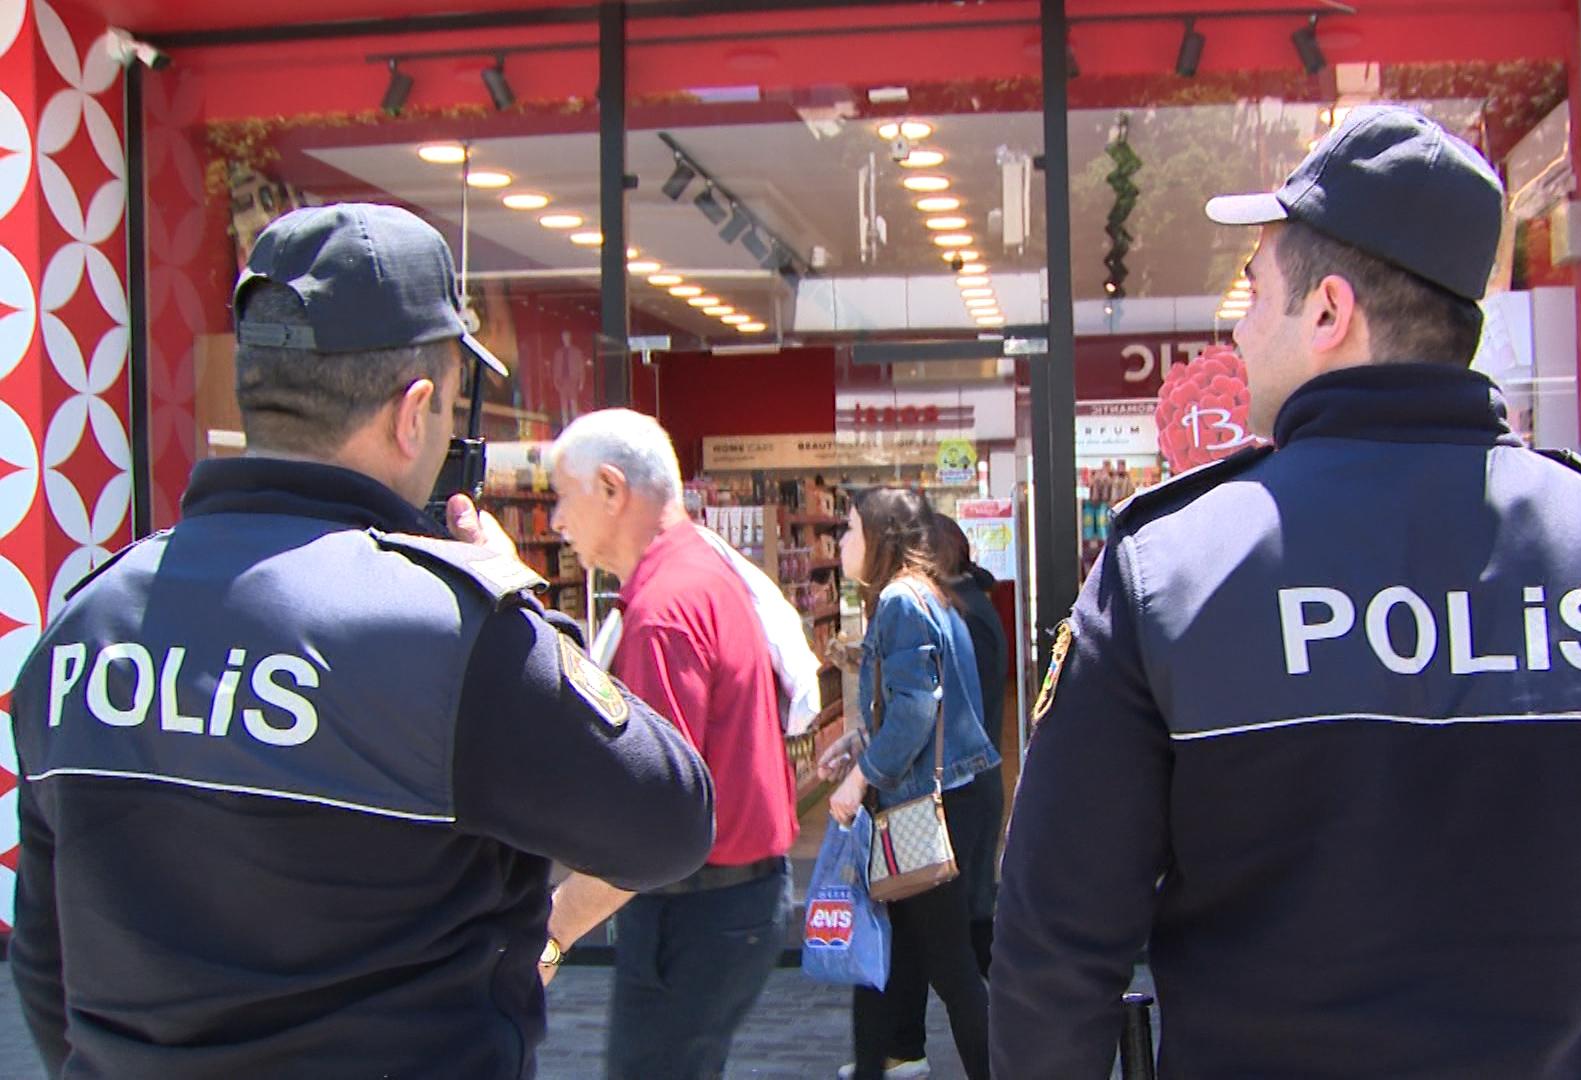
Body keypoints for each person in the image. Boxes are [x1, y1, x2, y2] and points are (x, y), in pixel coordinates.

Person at [992, 105, 1581, 1079]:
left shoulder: (1169, 575)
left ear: (1329, 311)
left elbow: (1057, 942)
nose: (1238, 326)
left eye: (1254, 291)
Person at [7, 203, 716, 1078]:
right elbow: (671, 820)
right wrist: (517, 606)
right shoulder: (449, 633)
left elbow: (46, 963)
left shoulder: (83, 623)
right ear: (413, 412)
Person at [539, 409, 798, 1080]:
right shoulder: (700, 571)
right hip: (727, 902)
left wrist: (555, 931)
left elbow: (655, 820)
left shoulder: (665, 609)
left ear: (610, 489)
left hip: (694, 911)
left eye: (562, 497)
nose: (556, 521)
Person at [822, 488, 1000, 1080]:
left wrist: (860, 779)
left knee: (949, 969)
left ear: (880, 536)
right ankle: (880, 1060)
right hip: (943, 800)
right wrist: (859, 743)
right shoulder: (930, 593)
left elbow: (917, 711)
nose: (841, 541)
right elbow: (919, 706)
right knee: (898, 956)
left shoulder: (900, 601)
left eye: (850, 528)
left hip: (924, 809)